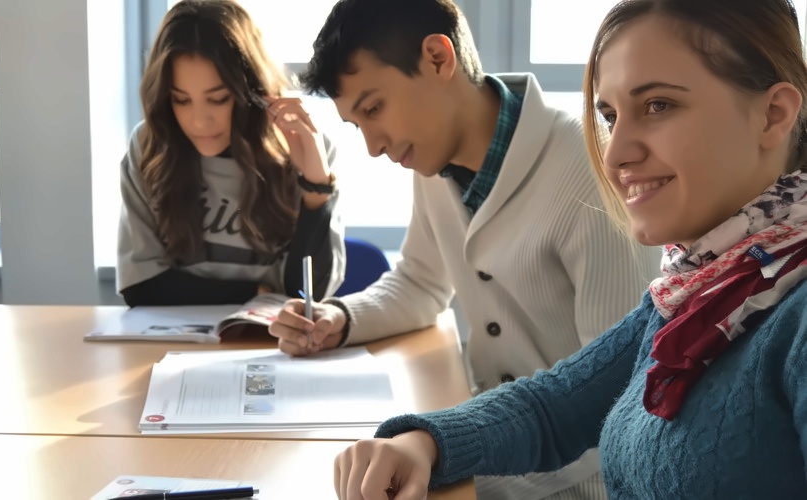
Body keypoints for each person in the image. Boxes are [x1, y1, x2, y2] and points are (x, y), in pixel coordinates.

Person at [331, 0, 807, 498]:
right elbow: (554, 407)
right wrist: (425, 441)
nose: (616, 153)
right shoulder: (700, 284)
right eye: (609, 115)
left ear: (772, 115)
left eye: (658, 105)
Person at [268, 0, 658, 498]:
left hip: (576, 478)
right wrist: (338, 319)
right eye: (356, 124)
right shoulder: (433, 162)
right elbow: (420, 283)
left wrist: (452, 457)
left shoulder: (588, 169)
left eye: (373, 109)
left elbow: (614, 395)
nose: (372, 145)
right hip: (492, 447)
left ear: (437, 58)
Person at [116, 0, 345, 306]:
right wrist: (257, 293)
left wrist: (316, 189)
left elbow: (306, 295)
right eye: (181, 100)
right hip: (174, 344)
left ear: (251, 93)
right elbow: (141, 287)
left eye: (218, 99)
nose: (199, 121)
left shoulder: (303, 148)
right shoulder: (150, 146)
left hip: (273, 345)